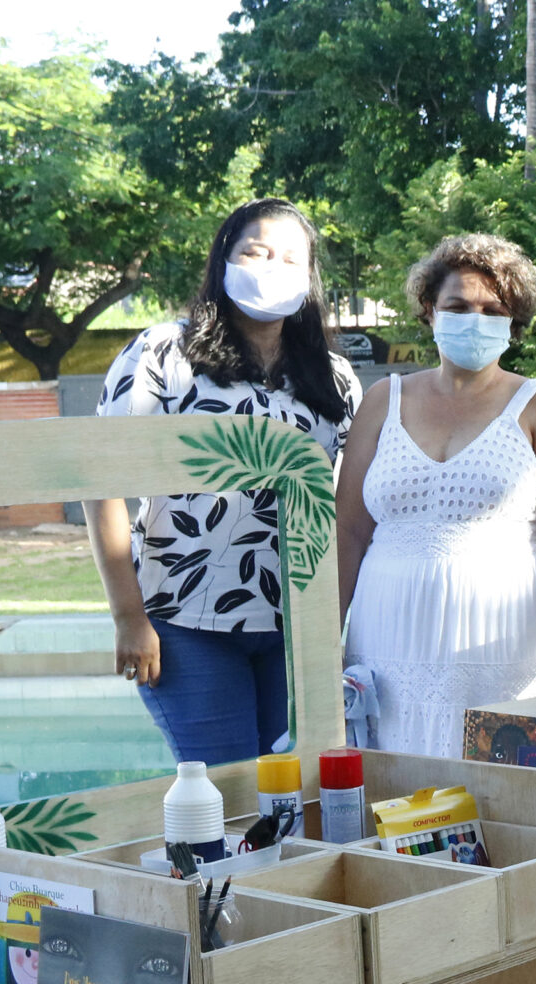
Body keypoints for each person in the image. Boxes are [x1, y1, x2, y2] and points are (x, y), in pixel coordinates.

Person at [89, 197, 359, 764]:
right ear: (223, 260)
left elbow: (346, 504)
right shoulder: (163, 353)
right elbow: (101, 480)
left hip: (298, 625)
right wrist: (128, 617)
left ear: (309, 277)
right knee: (221, 795)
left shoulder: (333, 377)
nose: (271, 267)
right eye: (255, 252)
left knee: (292, 796)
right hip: (186, 620)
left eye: (290, 259)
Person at [334, 234, 536, 758]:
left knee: (506, 792)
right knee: (392, 792)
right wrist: (325, 638)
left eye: (493, 309)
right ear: (429, 309)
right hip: (388, 635)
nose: (475, 319)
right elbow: (348, 529)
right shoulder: (381, 400)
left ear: (513, 321)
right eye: (459, 306)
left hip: (508, 640)